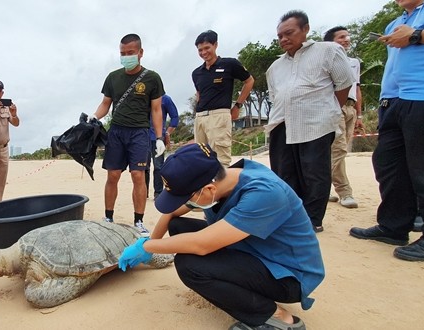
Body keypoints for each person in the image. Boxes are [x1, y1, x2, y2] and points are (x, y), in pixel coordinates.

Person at [118, 143, 324, 330]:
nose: (184, 202)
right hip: (254, 249)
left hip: (288, 273)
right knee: (178, 226)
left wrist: (146, 247)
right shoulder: (220, 180)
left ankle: (277, 318)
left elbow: (201, 245)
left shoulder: (264, 192)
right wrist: (151, 244)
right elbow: (172, 213)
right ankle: (239, 290)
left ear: (208, 189)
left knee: (189, 265)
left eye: (184, 196)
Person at [350, 0, 424, 261]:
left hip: (421, 96)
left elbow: (413, 39)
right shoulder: (395, 22)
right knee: (388, 164)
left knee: (422, 168)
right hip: (393, 100)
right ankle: (393, 226)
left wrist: (416, 35)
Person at [266, 10, 354, 233]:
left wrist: (327, 111)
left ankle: (312, 220)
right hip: (281, 124)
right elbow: (275, 96)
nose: (284, 39)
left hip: (315, 123)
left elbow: (343, 85)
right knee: (284, 173)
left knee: (314, 172)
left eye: (289, 33)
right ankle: (290, 216)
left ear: (305, 29)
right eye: (279, 36)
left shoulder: (329, 51)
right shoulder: (275, 67)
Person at [87, 33, 165, 237]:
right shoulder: (113, 77)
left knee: (138, 175)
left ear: (141, 53)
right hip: (117, 131)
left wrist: (159, 137)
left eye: (130, 53)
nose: (126, 56)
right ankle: (108, 217)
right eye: (122, 53)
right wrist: (94, 116)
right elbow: (106, 104)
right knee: (112, 175)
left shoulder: (152, 78)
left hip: (139, 132)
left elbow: (156, 110)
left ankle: (138, 221)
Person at [191, 30, 254, 167]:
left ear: (215, 45)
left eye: (207, 48)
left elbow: (249, 81)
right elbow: (199, 94)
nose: (203, 52)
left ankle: (223, 188)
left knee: (221, 160)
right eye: (200, 50)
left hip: (219, 115)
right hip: (200, 118)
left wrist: (237, 105)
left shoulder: (230, 64)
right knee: (200, 159)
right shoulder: (196, 73)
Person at [323, 26, 363, 209]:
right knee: (338, 150)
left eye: (347, 36)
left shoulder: (354, 62)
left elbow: (357, 88)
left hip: (350, 108)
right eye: (341, 37)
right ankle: (345, 192)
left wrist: (359, 114)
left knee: (340, 151)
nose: (346, 39)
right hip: (334, 107)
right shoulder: (326, 61)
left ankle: (322, 189)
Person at [144, 94, 178, 200]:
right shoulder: (143, 96)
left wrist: (167, 133)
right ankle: (143, 192)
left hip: (158, 137)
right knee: (143, 166)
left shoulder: (165, 99)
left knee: (158, 166)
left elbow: (175, 117)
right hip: (142, 136)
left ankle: (158, 192)